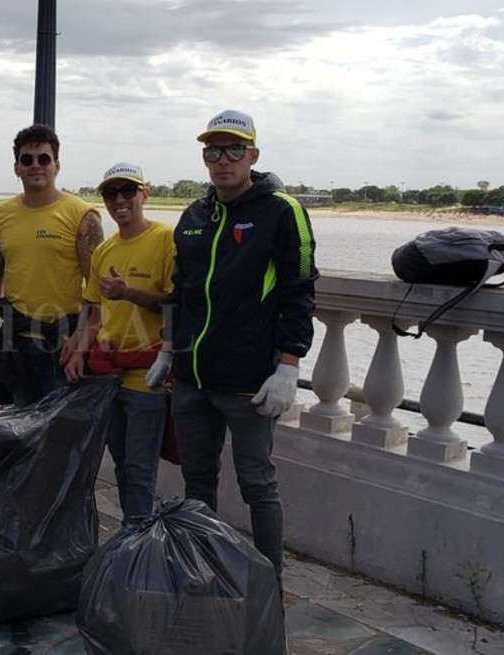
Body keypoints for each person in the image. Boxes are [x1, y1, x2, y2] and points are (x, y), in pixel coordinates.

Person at [157, 109, 318, 581]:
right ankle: (202, 571)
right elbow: (180, 290)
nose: (222, 160)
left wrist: (289, 365)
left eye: (233, 150)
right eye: (213, 151)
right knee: (197, 481)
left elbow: (300, 291)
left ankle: (270, 583)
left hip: (249, 381)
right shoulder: (193, 215)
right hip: (192, 377)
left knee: (257, 484)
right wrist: (167, 349)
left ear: (253, 155)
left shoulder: (281, 211)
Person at [65, 162, 175, 521]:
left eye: (128, 190)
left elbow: (176, 303)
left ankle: (138, 538)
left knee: (141, 467)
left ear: (145, 194)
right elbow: (95, 313)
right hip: (107, 375)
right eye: (111, 193)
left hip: (147, 375)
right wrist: (79, 353)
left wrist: (129, 293)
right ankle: (133, 534)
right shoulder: (104, 251)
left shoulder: (165, 239)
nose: (119, 200)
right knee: (122, 465)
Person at [0, 124, 103, 405]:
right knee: (21, 425)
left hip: (62, 344)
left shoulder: (82, 215)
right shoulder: (3, 214)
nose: (35, 165)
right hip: (16, 343)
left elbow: (97, 288)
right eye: (27, 159)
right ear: (17, 168)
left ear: (56, 165)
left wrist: (80, 341)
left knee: (60, 427)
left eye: (44, 158)